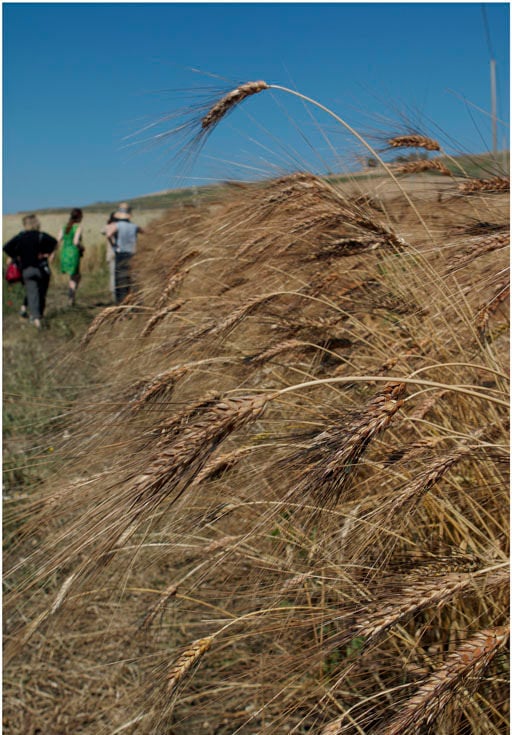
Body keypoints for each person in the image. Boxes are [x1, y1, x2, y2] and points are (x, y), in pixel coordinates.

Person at [3, 214, 57, 328]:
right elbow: (54, 242)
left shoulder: (21, 237)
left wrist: (16, 256)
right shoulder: (41, 236)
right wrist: (46, 254)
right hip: (42, 269)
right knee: (42, 294)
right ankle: (40, 315)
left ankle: (36, 319)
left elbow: (6, 247)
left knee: (32, 294)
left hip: (27, 270)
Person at [104, 202, 144, 304]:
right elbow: (146, 232)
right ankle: (134, 304)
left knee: (121, 281)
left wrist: (113, 245)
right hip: (133, 254)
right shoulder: (134, 226)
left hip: (121, 254)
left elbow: (108, 234)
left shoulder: (116, 225)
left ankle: (121, 305)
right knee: (132, 281)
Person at [58, 208, 84, 306]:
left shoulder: (64, 227)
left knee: (73, 276)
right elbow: (76, 242)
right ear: (80, 217)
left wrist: (52, 253)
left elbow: (58, 240)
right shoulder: (78, 227)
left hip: (64, 252)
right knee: (76, 275)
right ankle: (71, 296)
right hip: (73, 253)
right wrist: (82, 247)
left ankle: (71, 296)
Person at [101, 211, 118, 301]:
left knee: (112, 274)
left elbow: (102, 231)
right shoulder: (119, 226)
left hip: (110, 253)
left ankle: (114, 294)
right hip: (118, 253)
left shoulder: (108, 226)